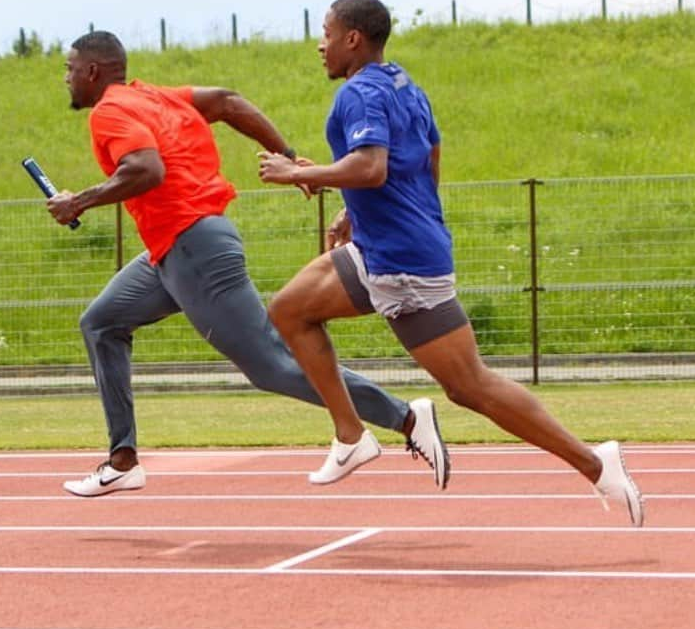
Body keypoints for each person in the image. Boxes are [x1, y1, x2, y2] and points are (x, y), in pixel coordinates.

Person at [258, 0, 644, 526]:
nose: (319, 45)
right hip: (386, 247)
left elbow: (370, 167)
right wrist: (360, 214)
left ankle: (594, 463)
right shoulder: (404, 85)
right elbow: (427, 157)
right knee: (289, 309)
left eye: (326, 33)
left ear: (353, 38)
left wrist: (298, 174)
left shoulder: (359, 95)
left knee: (469, 386)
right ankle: (350, 435)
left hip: (402, 263)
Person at [48, 30, 448, 497]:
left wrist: (80, 202)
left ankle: (403, 416)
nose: (67, 78)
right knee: (100, 322)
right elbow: (227, 101)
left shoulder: (111, 111)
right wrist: (286, 154)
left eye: (69, 69)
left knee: (272, 366)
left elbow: (145, 170)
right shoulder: (154, 98)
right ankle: (123, 459)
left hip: (194, 248)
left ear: (92, 71)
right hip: (171, 252)